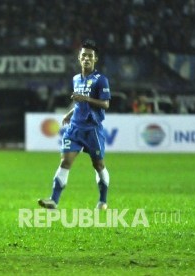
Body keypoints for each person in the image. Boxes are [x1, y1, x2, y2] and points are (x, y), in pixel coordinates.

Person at [38, 39, 111, 210]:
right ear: (79, 58)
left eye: (90, 56)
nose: (86, 58)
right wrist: (70, 113)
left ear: (95, 59)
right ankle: (54, 200)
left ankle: (103, 200)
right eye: (84, 55)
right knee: (65, 162)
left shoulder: (101, 80)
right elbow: (79, 103)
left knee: (98, 165)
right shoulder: (76, 79)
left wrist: (85, 98)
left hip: (92, 129)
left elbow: (105, 104)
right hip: (75, 128)